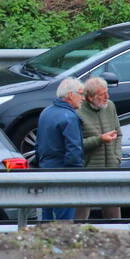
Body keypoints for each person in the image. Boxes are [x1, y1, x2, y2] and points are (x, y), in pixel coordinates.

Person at [35, 77, 85, 222]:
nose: (83, 98)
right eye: (80, 94)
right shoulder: (70, 117)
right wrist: (76, 174)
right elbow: (74, 150)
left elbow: (38, 145)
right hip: (64, 175)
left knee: (47, 217)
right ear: (70, 95)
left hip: (46, 170)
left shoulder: (46, 112)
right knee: (64, 221)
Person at [75, 76, 122, 220]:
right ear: (90, 97)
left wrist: (117, 157)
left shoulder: (110, 106)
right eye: (102, 94)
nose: (107, 97)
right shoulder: (78, 111)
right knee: (81, 213)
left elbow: (118, 134)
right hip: (88, 170)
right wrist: (99, 140)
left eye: (107, 92)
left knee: (114, 216)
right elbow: (76, 144)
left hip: (111, 168)